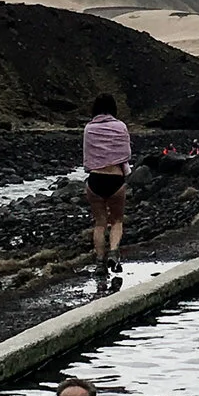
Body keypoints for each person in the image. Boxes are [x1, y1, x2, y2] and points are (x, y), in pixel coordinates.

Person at [82, 93, 133, 284]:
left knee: (99, 223)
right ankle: (113, 252)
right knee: (117, 220)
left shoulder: (89, 128)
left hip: (95, 179)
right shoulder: (121, 127)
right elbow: (125, 153)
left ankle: (99, 263)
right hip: (116, 179)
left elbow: (88, 157)